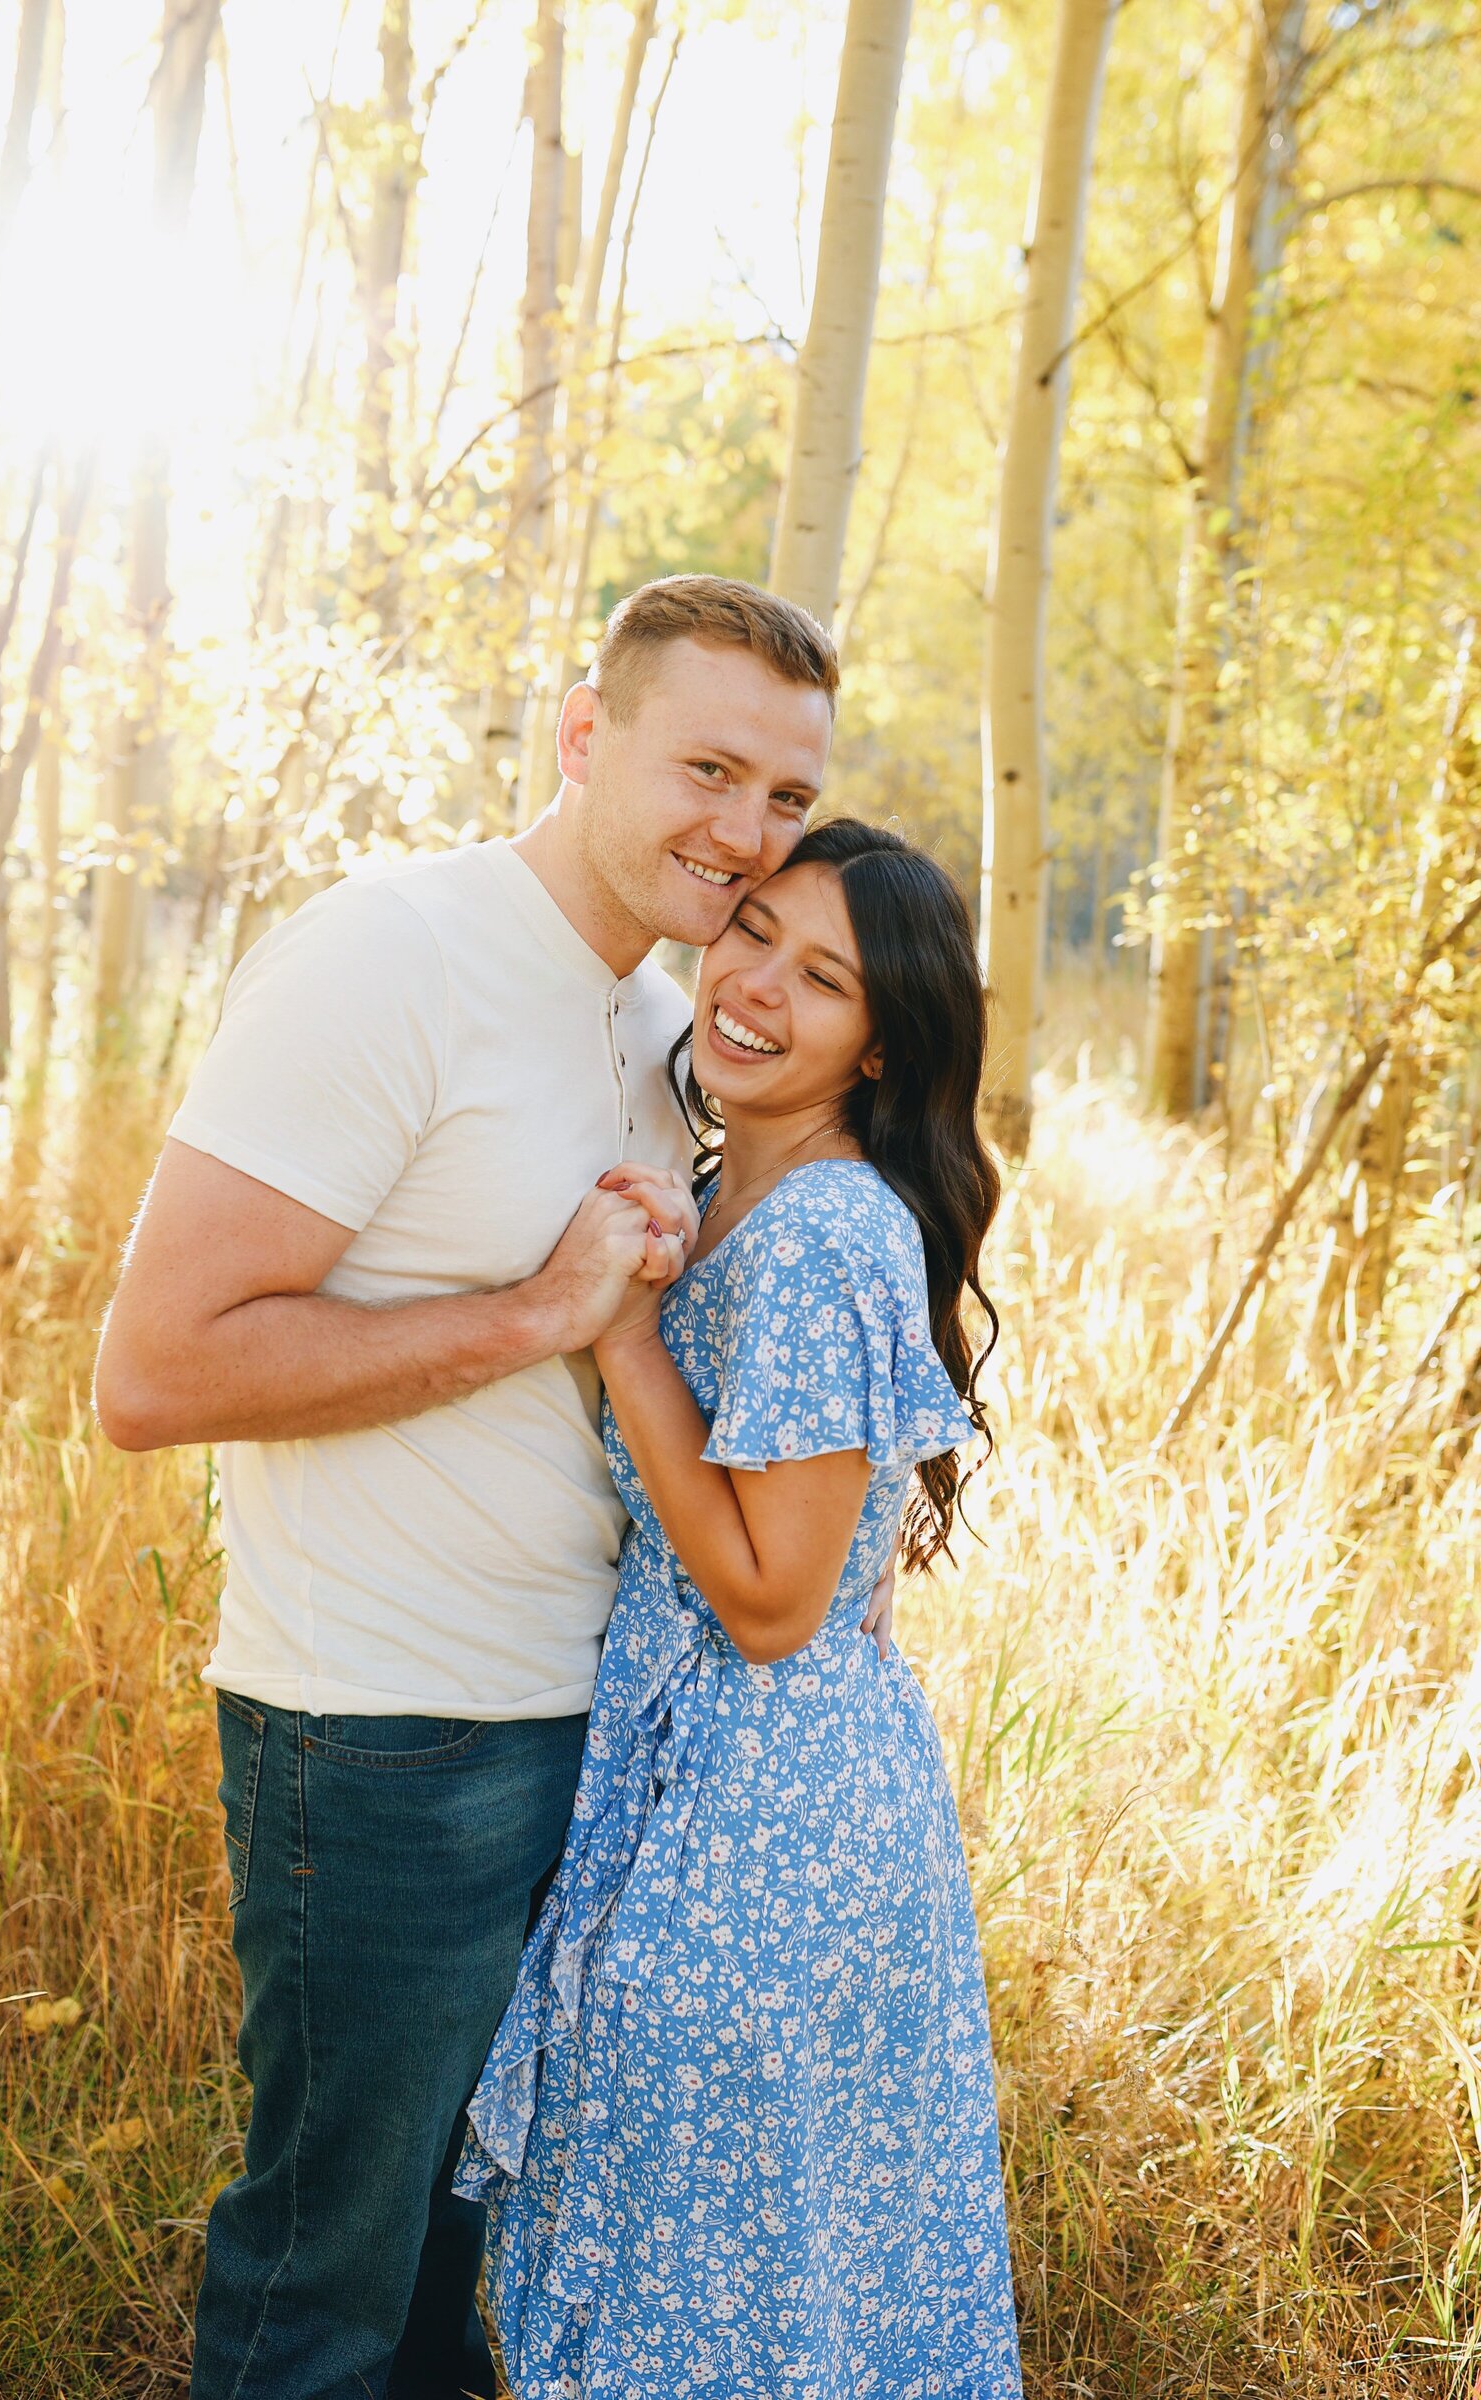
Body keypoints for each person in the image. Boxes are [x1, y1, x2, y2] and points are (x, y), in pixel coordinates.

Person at [92, 577, 857, 2400]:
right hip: (383, 1737)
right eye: (708, 769)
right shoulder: (393, 954)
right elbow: (155, 1370)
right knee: (330, 2264)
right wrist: (530, 1315)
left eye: (786, 801)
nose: (743, 835)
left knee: (463, 2258)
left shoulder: (653, 1012)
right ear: (585, 737)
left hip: (578, 1729)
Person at [456, 818, 1024, 2396]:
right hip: (730, 1785)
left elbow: (775, 1602)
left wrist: (618, 1336)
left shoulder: (831, 1233)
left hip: (766, 1821)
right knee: (756, 2273)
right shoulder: (743, 1198)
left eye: (822, 974)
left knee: (705, 2276)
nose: (757, 984)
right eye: (754, 928)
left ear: (881, 1042)